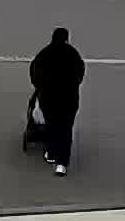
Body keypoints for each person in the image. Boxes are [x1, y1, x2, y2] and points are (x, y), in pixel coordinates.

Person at [29, 27, 85, 176]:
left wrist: (40, 87)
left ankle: (52, 152)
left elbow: (34, 72)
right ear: (67, 38)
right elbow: (80, 73)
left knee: (52, 126)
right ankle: (62, 164)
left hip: (49, 99)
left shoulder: (45, 53)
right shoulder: (73, 54)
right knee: (66, 129)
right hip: (69, 99)